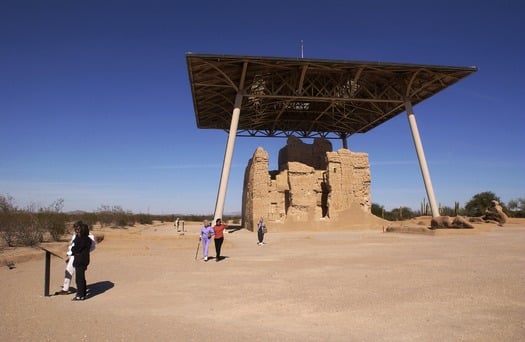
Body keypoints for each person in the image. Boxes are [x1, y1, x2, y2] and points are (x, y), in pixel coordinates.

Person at [55, 221, 96, 296]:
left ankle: (80, 292)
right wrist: (69, 254)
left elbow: (92, 247)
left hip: (80, 256)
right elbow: (72, 245)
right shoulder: (76, 235)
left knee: (78, 274)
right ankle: (66, 289)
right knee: (68, 271)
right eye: (75, 227)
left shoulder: (88, 236)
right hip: (73, 255)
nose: (76, 229)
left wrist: (83, 252)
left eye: (77, 227)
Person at [70, 223, 93, 301]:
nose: (77, 231)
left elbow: (76, 249)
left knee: (79, 278)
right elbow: (73, 248)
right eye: (76, 229)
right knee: (80, 277)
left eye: (78, 229)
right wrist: (74, 250)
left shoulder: (85, 239)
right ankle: (82, 292)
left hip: (82, 260)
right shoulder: (78, 238)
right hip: (79, 259)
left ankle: (81, 295)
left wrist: (74, 250)